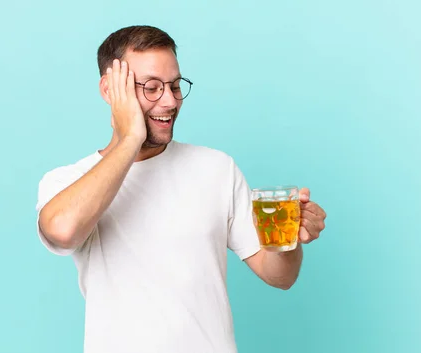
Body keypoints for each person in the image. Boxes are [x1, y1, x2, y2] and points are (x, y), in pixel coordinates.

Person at [35, 25, 327, 353]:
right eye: (152, 88)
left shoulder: (216, 169)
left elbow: (279, 277)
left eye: (175, 86)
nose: (170, 101)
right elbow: (62, 232)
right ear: (109, 90)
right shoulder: (69, 181)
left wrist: (289, 239)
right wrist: (130, 136)